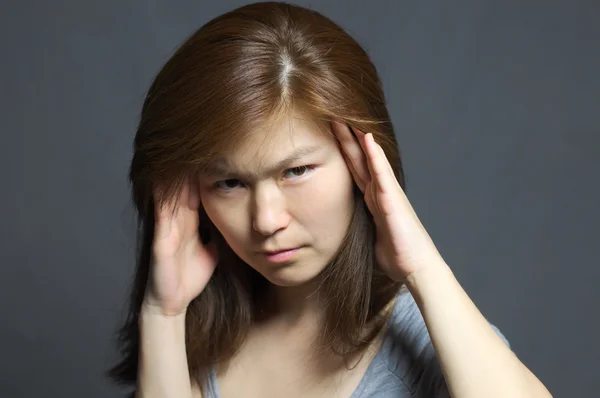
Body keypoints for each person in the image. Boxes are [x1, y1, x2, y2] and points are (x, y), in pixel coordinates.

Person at [107, 2, 552, 397]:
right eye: (229, 183)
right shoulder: (195, 338)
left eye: (296, 171)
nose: (266, 220)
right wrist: (163, 314)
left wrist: (422, 267)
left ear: (362, 164)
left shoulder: (432, 340)